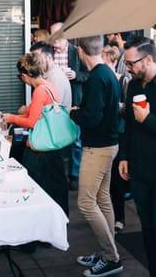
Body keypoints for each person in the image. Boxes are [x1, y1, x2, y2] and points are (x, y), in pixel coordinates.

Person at [70, 35, 123, 277]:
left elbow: (92, 117)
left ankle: (111, 258)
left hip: (98, 148)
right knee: (102, 199)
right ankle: (106, 251)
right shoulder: (108, 73)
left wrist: (74, 113)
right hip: (109, 145)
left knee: (85, 202)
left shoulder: (96, 78)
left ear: (81, 51)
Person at [3, 52, 69, 216]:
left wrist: (10, 117)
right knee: (57, 184)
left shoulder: (39, 91)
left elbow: (32, 122)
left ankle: (39, 224)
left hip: (41, 147)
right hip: (54, 143)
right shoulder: (49, 85)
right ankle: (60, 218)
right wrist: (19, 116)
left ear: (25, 76)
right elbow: (40, 114)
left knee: (35, 186)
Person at [119, 37, 156, 277]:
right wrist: (124, 156)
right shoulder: (133, 86)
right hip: (139, 168)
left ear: (148, 59)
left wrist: (149, 120)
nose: (128, 69)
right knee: (146, 227)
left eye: (131, 63)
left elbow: (144, 122)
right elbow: (128, 125)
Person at [50, 22, 89, 190]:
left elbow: (88, 75)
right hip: (53, 102)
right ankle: (59, 174)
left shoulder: (76, 51)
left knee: (76, 141)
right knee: (56, 139)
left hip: (73, 102)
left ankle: (74, 176)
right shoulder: (47, 53)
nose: (54, 39)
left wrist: (76, 75)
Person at [102, 45, 130, 234]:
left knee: (117, 180)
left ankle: (119, 218)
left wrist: (112, 106)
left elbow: (128, 109)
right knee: (106, 179)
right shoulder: (100, 79)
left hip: (119, 134)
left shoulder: (123, 81)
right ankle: (108, 215)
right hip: (104, 135)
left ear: (112, 60)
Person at [30, 41, 72, 108]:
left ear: (48, 57)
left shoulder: (56, 77)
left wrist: (29, 110)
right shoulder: (47, 73)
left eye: (38, 57)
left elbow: (52, 109)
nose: (35, 61)